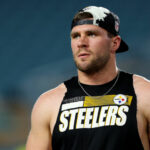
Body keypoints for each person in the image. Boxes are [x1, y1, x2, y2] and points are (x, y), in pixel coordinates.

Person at [26, 6, 150, 150]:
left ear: (114, 43)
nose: (81, 42)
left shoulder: (144, 95)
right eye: (75, 36)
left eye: (91, 34)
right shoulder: (49, 103)